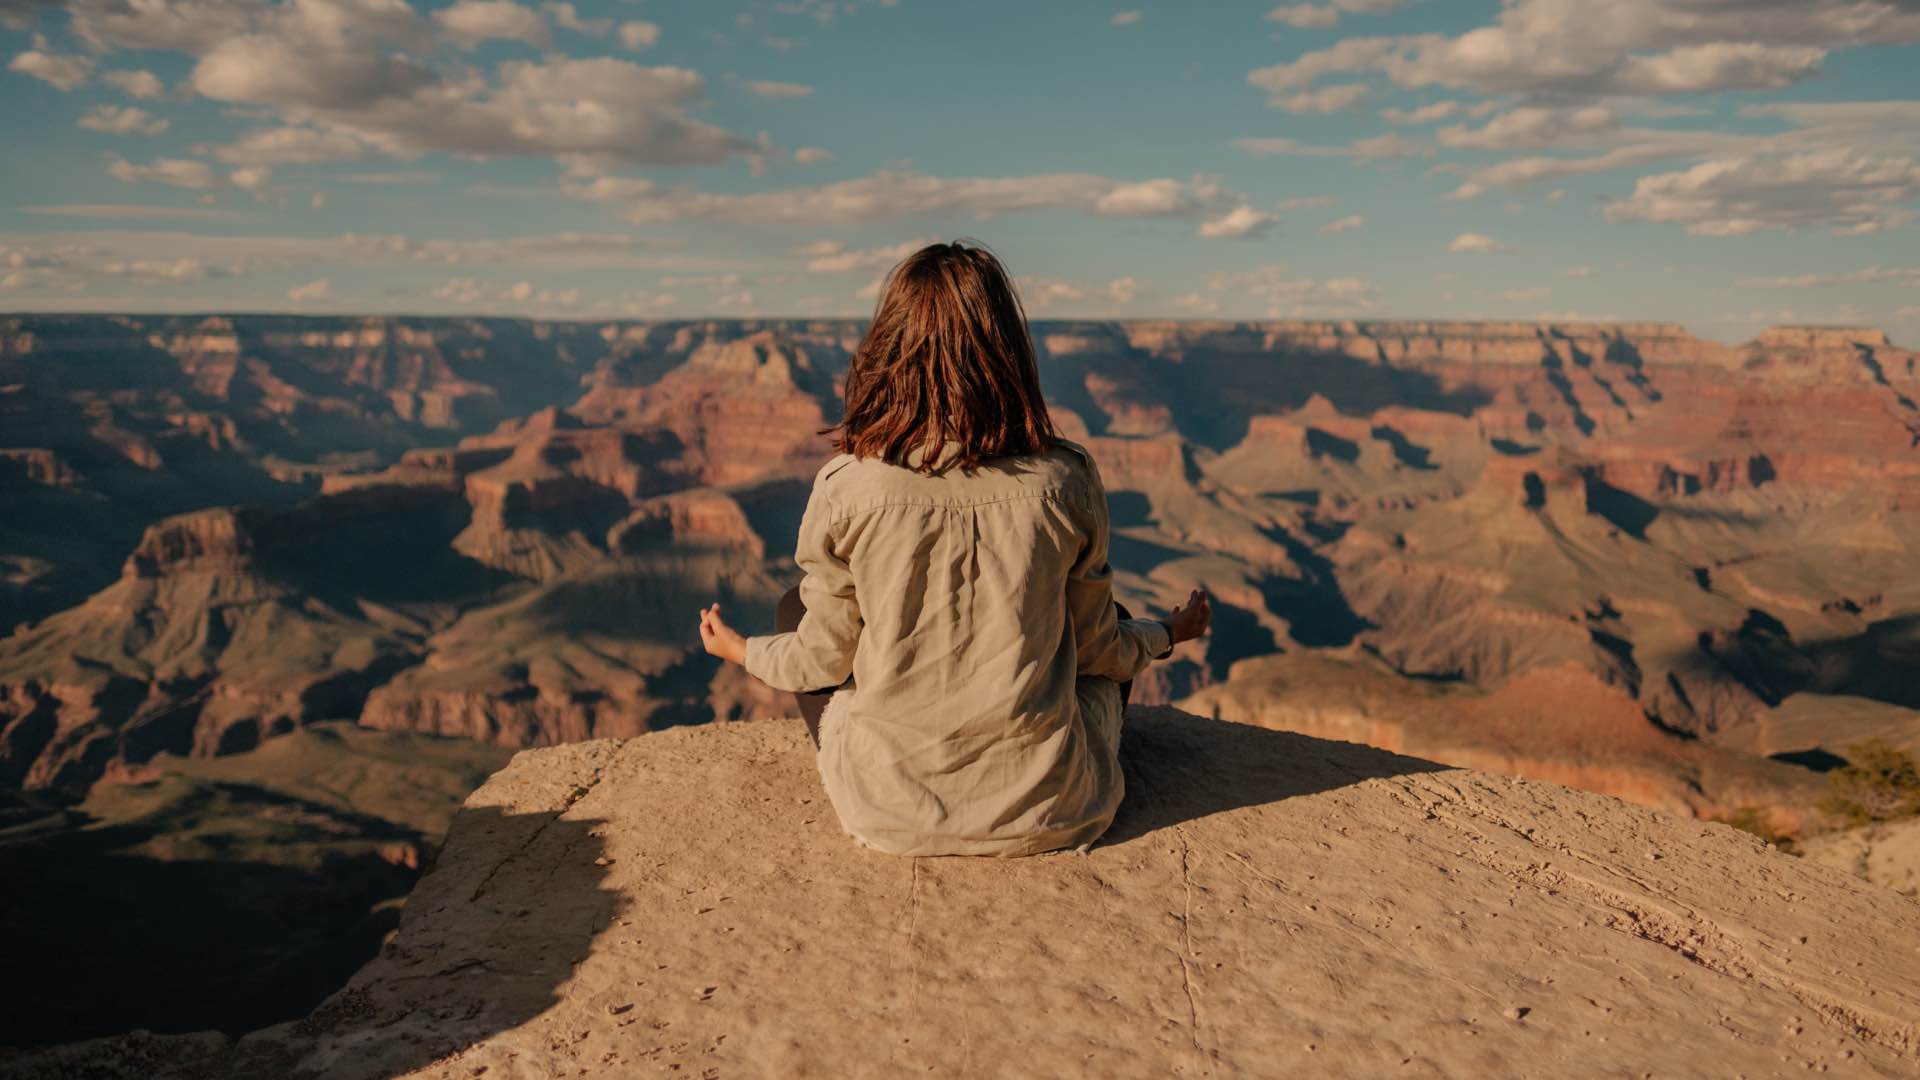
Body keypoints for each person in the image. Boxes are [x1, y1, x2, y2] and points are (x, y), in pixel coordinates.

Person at [697, 240, 1210, 857]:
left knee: (793, 612)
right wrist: (1166, 633)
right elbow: (1100, 650)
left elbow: (823, 662)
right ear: (1008, 351)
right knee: (1116, 619)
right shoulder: (1065, 479)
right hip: (1054, 811)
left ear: (887, 350)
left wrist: (740, 650)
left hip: (887, 815)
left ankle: (899, 780)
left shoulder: (847, 484)